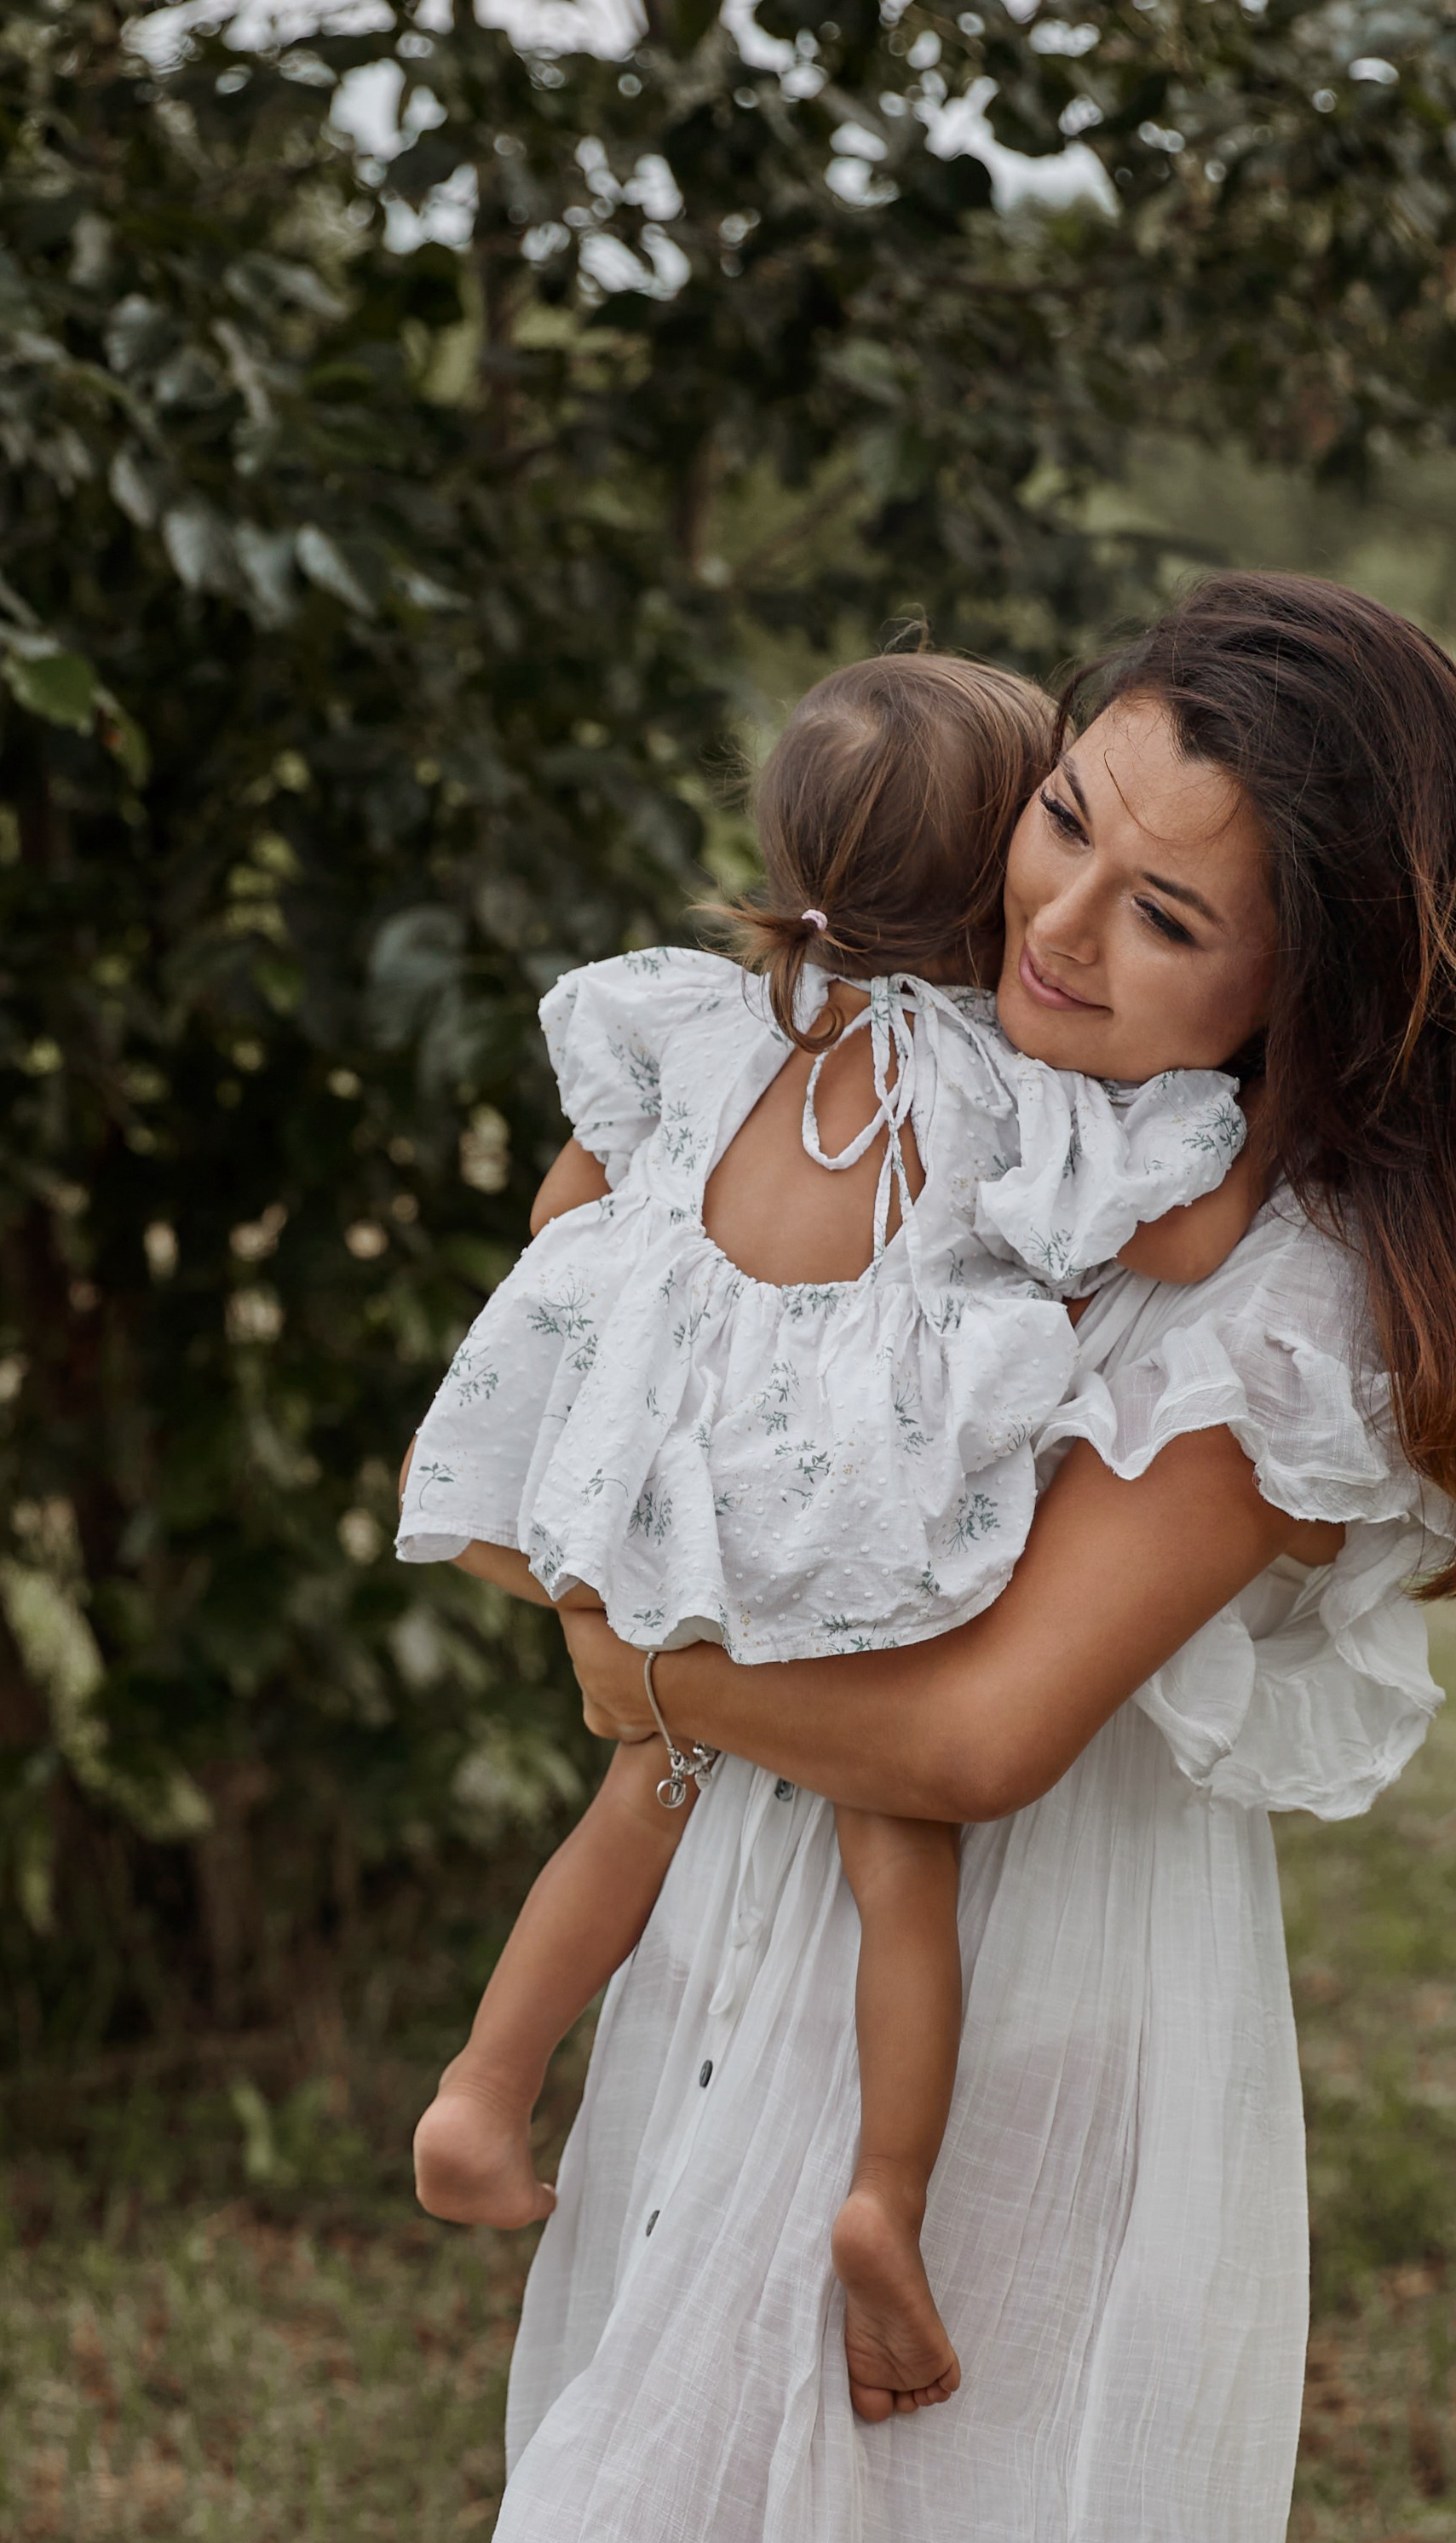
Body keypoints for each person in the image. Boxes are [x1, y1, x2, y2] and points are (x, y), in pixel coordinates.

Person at [374, 573, 1456, 2543]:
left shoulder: (1291, 1294)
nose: (1062, 925)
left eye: (1170, 913)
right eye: (1060, 820)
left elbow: (981, 1733)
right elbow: (600, 1333)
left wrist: (640, 1667)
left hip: (1013, 2036)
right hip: (741, 1947)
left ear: (1307, 985)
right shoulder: (909, 1081)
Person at [396, 651, 1260, 2423]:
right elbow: (1171, 1246)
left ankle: (481, 2089)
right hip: (853, 1538)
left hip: (683, 1506)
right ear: (985, 878)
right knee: (901, 1872)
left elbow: (573, 1216)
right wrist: (1257, 1152)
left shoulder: (708, 1018)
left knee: (635, 1798)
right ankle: (882, 2195)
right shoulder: (995, 1092)